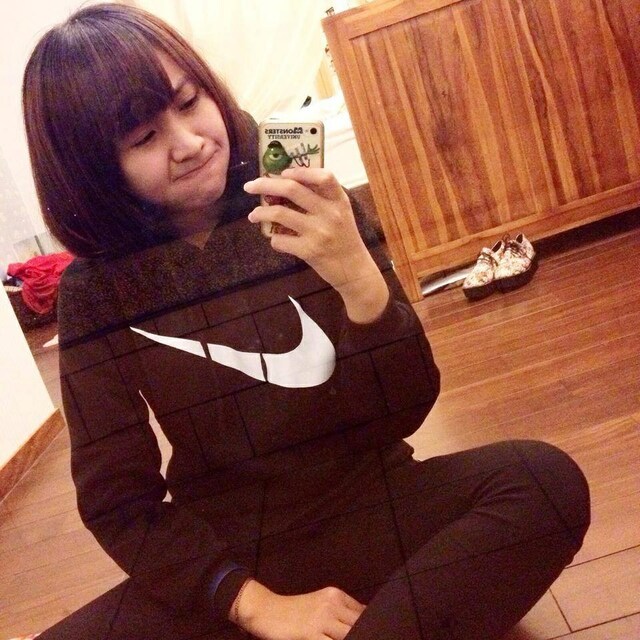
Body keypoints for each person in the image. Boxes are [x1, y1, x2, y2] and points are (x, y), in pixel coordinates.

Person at [22, 4, 590, 639]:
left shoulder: (306, 203)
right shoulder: (96, 292)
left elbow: (404, 411)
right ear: (96, 171)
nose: (189, 144)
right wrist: (255, 604)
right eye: (143, 138)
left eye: (189, 102)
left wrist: (359, 278)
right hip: (231, 555)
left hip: (376, 509)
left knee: (541, 482)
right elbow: (119, 501)